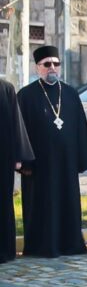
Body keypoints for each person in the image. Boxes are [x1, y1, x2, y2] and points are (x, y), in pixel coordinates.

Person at [16, 46, 87, 258]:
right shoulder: (26, 95)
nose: (52, 68)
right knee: (42, 204)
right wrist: (25, 163)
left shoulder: (70, 93)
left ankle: (70, 244)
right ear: (37, 67)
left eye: (56, 64)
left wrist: (81, 159)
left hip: (66, 163)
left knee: (67, 202)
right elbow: (20, 132)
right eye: (47, 64)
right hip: (40, 165)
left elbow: (80, 129)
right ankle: (42, 246)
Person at [0, 73, 33, 263]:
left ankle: (4, 250)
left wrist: (18, 156)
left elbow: (16, 123)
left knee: (3, 204)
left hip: (2, 158)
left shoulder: (6, 88)